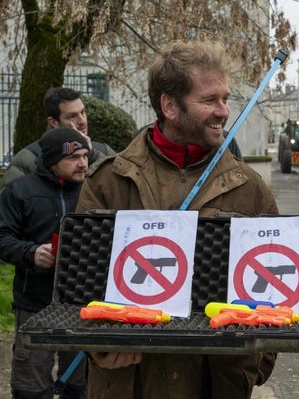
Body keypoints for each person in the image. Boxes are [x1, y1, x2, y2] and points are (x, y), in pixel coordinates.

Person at [75, 41, 278, 399]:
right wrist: (98, 347)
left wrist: (254, 363)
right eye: (209, 100)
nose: (223, 111)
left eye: (226, 98)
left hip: (214, 383)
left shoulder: (250, 190)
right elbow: (78, 285)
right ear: (169, 105)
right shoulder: (108, 180)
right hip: (127, 383)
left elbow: (276, 289)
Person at [0, 127, 90, 399]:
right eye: (74, 157)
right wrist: (30, 253)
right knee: (31, 383)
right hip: (34, 302)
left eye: (86, 156)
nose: (83, 163)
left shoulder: (93, 190)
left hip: (82, 303)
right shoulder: (19, 191)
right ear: (52, 161)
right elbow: (2, 236)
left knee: (79, 382)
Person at [1, 87, 115, 189]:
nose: (82, 121)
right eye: (72, 116)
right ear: (54, 122)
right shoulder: (28, 158)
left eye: (83, 112)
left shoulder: (103, 151)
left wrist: (91, 154)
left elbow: (122, 187)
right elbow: (8, 205)